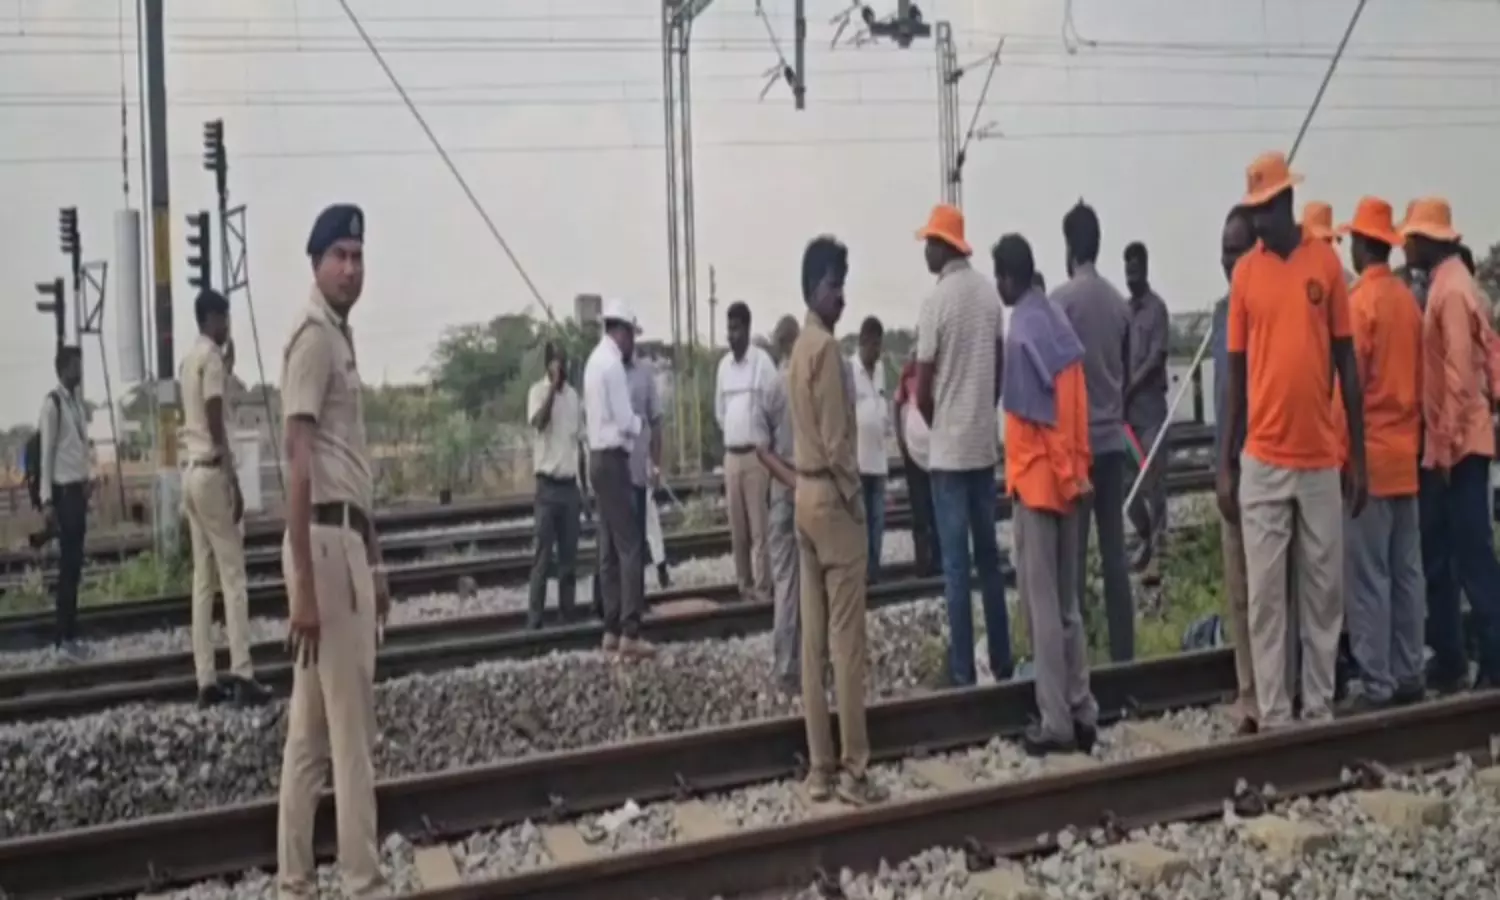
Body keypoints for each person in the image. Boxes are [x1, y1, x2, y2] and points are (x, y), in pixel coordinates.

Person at [1218, 152, 1367, 729]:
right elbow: (1234, 376)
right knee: (1266, 598)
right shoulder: (1245, 277)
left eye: (1264, 208)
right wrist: (1225, 464)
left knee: (1323, 593)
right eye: (1252, 209)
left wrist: (1357, 457)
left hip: (1319, 458)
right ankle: (1277, 714)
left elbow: (1346, 363)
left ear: (1286, 202)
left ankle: (1319, 705)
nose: (1258, 220)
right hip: (1263, 459)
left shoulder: (1324, 264)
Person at [277, 203, 389, 898]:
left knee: (310, 738)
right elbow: (297, 458)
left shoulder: (337, 336)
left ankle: (294, 882)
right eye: (339, 256)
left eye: (357, 255)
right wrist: (304, 588)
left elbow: (348, 464)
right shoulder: (314, 338)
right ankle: (361, 882)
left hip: (341, 540)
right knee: (351, 737)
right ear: (316, 264)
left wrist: (373, 560)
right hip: (322, 548)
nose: (350, 268)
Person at [787, 234, 884, 806]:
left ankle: (819, 768)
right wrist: (855, 498)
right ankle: (854, 770)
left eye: (843, 284)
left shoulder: (798, 346)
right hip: (831, 496)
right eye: (834, 285)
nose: (841, 296)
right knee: (848, 644)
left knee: (813, 644)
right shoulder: (826, 350)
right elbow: (836, 440)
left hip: (802, 494)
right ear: (813, 288)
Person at [993, 233, 1098, 757]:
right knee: (1068, 606)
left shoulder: (1021, 333)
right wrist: (1078, 472)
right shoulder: (1058, 322)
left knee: (1043, 610)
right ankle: (1082, 709)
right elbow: (1076, 410)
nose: (998, 286)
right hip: (1071, 483)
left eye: (999, 277)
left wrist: (1061, 473)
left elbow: (1044, 420)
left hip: (1038, 487)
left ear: (1008, 277)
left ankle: (1056, 721)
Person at [912, 204, 1013, 687]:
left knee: (956, 567)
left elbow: (921, 388)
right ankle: (1002, 660)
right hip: (982, 450)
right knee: (989, 561)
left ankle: (962, 674)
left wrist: (940, 425)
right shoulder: (990, 296)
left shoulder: (935, 303)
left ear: (944, 246)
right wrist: (978, 417)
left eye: (929, 242)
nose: (925, 251)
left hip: (948, 456)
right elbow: (998, 371)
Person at [1334, 196, 1426, 712]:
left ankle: (1377, 682)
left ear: (1362, 245)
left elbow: (1350, 390)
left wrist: (1344, 459)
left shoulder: (1360, 305)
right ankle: (1410, 670)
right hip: (1406, 458)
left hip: (1369, 460)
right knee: (1406, 571)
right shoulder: (1408, 303)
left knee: (1369, 576)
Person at [1406, 197, 1500, 691]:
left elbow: (1460, 378)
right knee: (1444, 553)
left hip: (1459, 447)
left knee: (1471, 554)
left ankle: (1492, 659)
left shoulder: (1450, 292)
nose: (1406, 245)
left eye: (1411, 237)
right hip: (1458, 444)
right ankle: (1451, 656)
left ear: (1429, 240)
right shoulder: (1453, 285)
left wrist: (1442, 446)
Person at [1211, 206, 1298, 735]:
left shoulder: (1270, 302)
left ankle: (1281, 693)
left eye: (1237, 249)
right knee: (1242, 591)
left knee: (1276, 592)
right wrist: (1221, 466)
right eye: (1223, 250)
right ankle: (1251, 697)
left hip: (1269, 463)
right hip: (1234, 467)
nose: (1229, 260)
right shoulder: (1222, 312)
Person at [1051, 201, 1135, 663]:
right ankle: (1125, 655)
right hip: (1112, 443)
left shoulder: (1060, 303)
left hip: (1076, 450)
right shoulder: (1120, 305)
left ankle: (1078, 660)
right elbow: (1125, 371)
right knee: (1115, 553)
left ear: (1069, 246)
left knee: (1075, 559)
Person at [181, 288, 270, 707]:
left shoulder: (190, 360)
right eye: (225, 318)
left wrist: (226, 363)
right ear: (212, 318)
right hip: (213, 472)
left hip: (191, 472)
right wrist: (232, 476)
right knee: (233, 576)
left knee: (204, 580)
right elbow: (215, 413)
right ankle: (243, 672)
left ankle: (205, 679)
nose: (228, 325)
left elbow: (203, 403)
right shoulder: (212, 359)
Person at [584, 299, 654, 658]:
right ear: (622, 332)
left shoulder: (593, 362)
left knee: (609, 547)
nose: (633, 343)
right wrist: (640, 426)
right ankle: (630, 630)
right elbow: (626, 419)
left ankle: (611, 628)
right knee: (630, 546)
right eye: (632, 335)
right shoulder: (612, 366)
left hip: (596, 459)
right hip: (613, 460)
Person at [715, 301, 778, 604]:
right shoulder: (723, 367)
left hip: (756, 457)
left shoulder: (762, 363)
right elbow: (720, 412)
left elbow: (776, 405)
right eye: (729, 329)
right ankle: (745, 587)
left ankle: (764, 590)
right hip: (732, 457)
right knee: (737, 531)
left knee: (759, 530)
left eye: (736, 328)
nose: (731, 335)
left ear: (747, 329)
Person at [755, 313, 803, 694]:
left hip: (784, 490)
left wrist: (788, 480)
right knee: (813, 580)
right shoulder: (809, 381)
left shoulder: (771, 387)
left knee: (785, 579)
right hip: (814, 487)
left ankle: (787, 668)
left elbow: (761, 449)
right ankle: (815, 661)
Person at [525, 341, 586, 630]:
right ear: (548, 365)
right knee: (542, 554)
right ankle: (535, 618)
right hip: (547, 486)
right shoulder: (537, 392)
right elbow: (539, 422)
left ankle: (567, 615)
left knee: (568, 557)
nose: (561, 367)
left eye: (564, 361)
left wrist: (584, 487)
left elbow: (579, 443)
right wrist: (552, 390)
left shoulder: (574, 397)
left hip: (569, 485)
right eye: (556, 362)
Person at [1122, 240, 1170, 579]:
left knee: (1154, 482)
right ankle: (1144, 536)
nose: (1131, 277)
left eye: (1136, 270)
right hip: (1128, 416)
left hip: (1151, 410)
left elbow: (1156, 358)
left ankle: (1158, 550)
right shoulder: (1123, 312)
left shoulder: (1157, 310)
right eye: (1127, 271)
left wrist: (1131, 386)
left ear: (1145, 268)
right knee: (1128, 483)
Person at [38, 345, 90, 654]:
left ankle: (70, 634)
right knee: (68, 568)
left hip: (78, 493)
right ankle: (63, 638)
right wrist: (47, 501)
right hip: (64, 495)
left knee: (75, 566)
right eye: (75, 365)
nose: (79, 370)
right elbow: (47, 455)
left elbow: (77, 450)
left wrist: (87, 480)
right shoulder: (53, 404)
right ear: (63, 369)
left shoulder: (76, 405)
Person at [893, 339, 941, 577]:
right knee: (920, 511)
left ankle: (939, 560)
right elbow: (897, 405)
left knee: (937, 510)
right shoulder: (906, 377)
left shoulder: (937, 375)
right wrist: (901, 441)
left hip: (936, 455)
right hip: (913, 455)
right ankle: (923, 563)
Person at [851, 316, 890, 583]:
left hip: (879, 460)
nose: (877, 352)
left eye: (880, 346)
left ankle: (874, 570)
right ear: (863, 342)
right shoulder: (850, 370)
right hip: (859, 461)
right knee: (861, 522)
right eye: (874, 346)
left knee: (878, 520)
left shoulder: (881, 370)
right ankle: (861, 570)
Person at [625, 345, 665, 598]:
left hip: (640, 463)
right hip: (617, 466)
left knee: (647, 520)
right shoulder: (608, 371)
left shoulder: (644, 374)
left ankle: (658, 568)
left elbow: (656, 420)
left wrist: (656, 464)